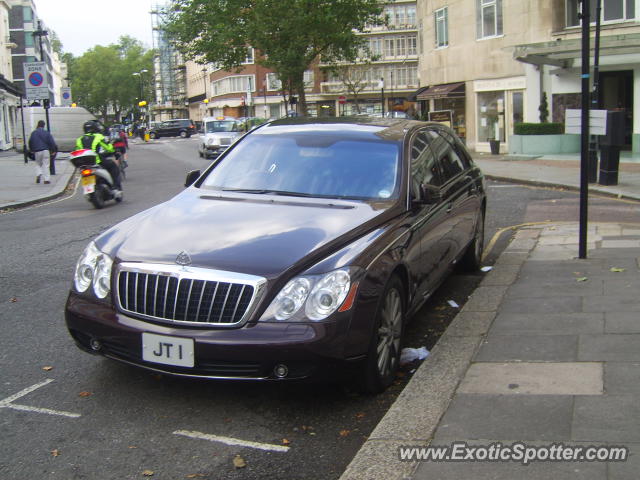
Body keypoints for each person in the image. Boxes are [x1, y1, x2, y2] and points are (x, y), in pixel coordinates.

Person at [75, 120, 122, 191]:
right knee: (113, 166)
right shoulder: (98, 136)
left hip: (84, 164)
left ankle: (88, 189)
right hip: (96, 160)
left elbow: (77, 151)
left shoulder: (79, 139)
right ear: (95, 128)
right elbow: (108, 148)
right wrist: (115, 152)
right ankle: (115, 187)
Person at [28, 120, 58, 185]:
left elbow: (30, 142)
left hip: (37, 151)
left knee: (38, 164)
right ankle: (46, 180)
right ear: (44, 126)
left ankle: (38, 174)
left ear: (38, 125)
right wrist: (53, 150)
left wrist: (31, 150)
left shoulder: (33, 133)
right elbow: (51, 142)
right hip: (46, 151)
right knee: (46, 165)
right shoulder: (46, 133)